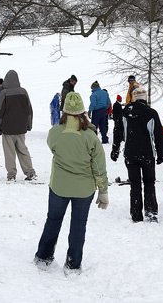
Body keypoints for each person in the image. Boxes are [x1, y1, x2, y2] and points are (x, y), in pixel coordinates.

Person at [34, 91, 109, 272]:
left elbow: (53, 149)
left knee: (53, 220)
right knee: (78, 225)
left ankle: (43, 256)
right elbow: (98, 166)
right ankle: (73, 264)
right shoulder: (90, 136)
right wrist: (103, 190)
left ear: (64, 111)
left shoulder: (55, 133)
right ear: (83, 111)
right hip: (84, 190)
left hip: (59, 186)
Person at [111, 85, 163, 223]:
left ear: (134, 98)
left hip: (130, 153)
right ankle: (151, 211)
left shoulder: (125, 112)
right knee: (149, 182)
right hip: (147, 154)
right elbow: (158, 135)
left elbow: (117, 133)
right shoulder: (151, 113)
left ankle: (136, 214)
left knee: (135, 184)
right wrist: (160, 154)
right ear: (145, 98)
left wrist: (115, 151)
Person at [0, 69, 36, 181]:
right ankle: (30, 172)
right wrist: (29, 124)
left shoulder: (4, 93)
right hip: (21, 127)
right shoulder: (24, 91)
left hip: (8, 128)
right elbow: (29, 110)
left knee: (9, 152)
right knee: (23, 150)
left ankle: (11, 174)